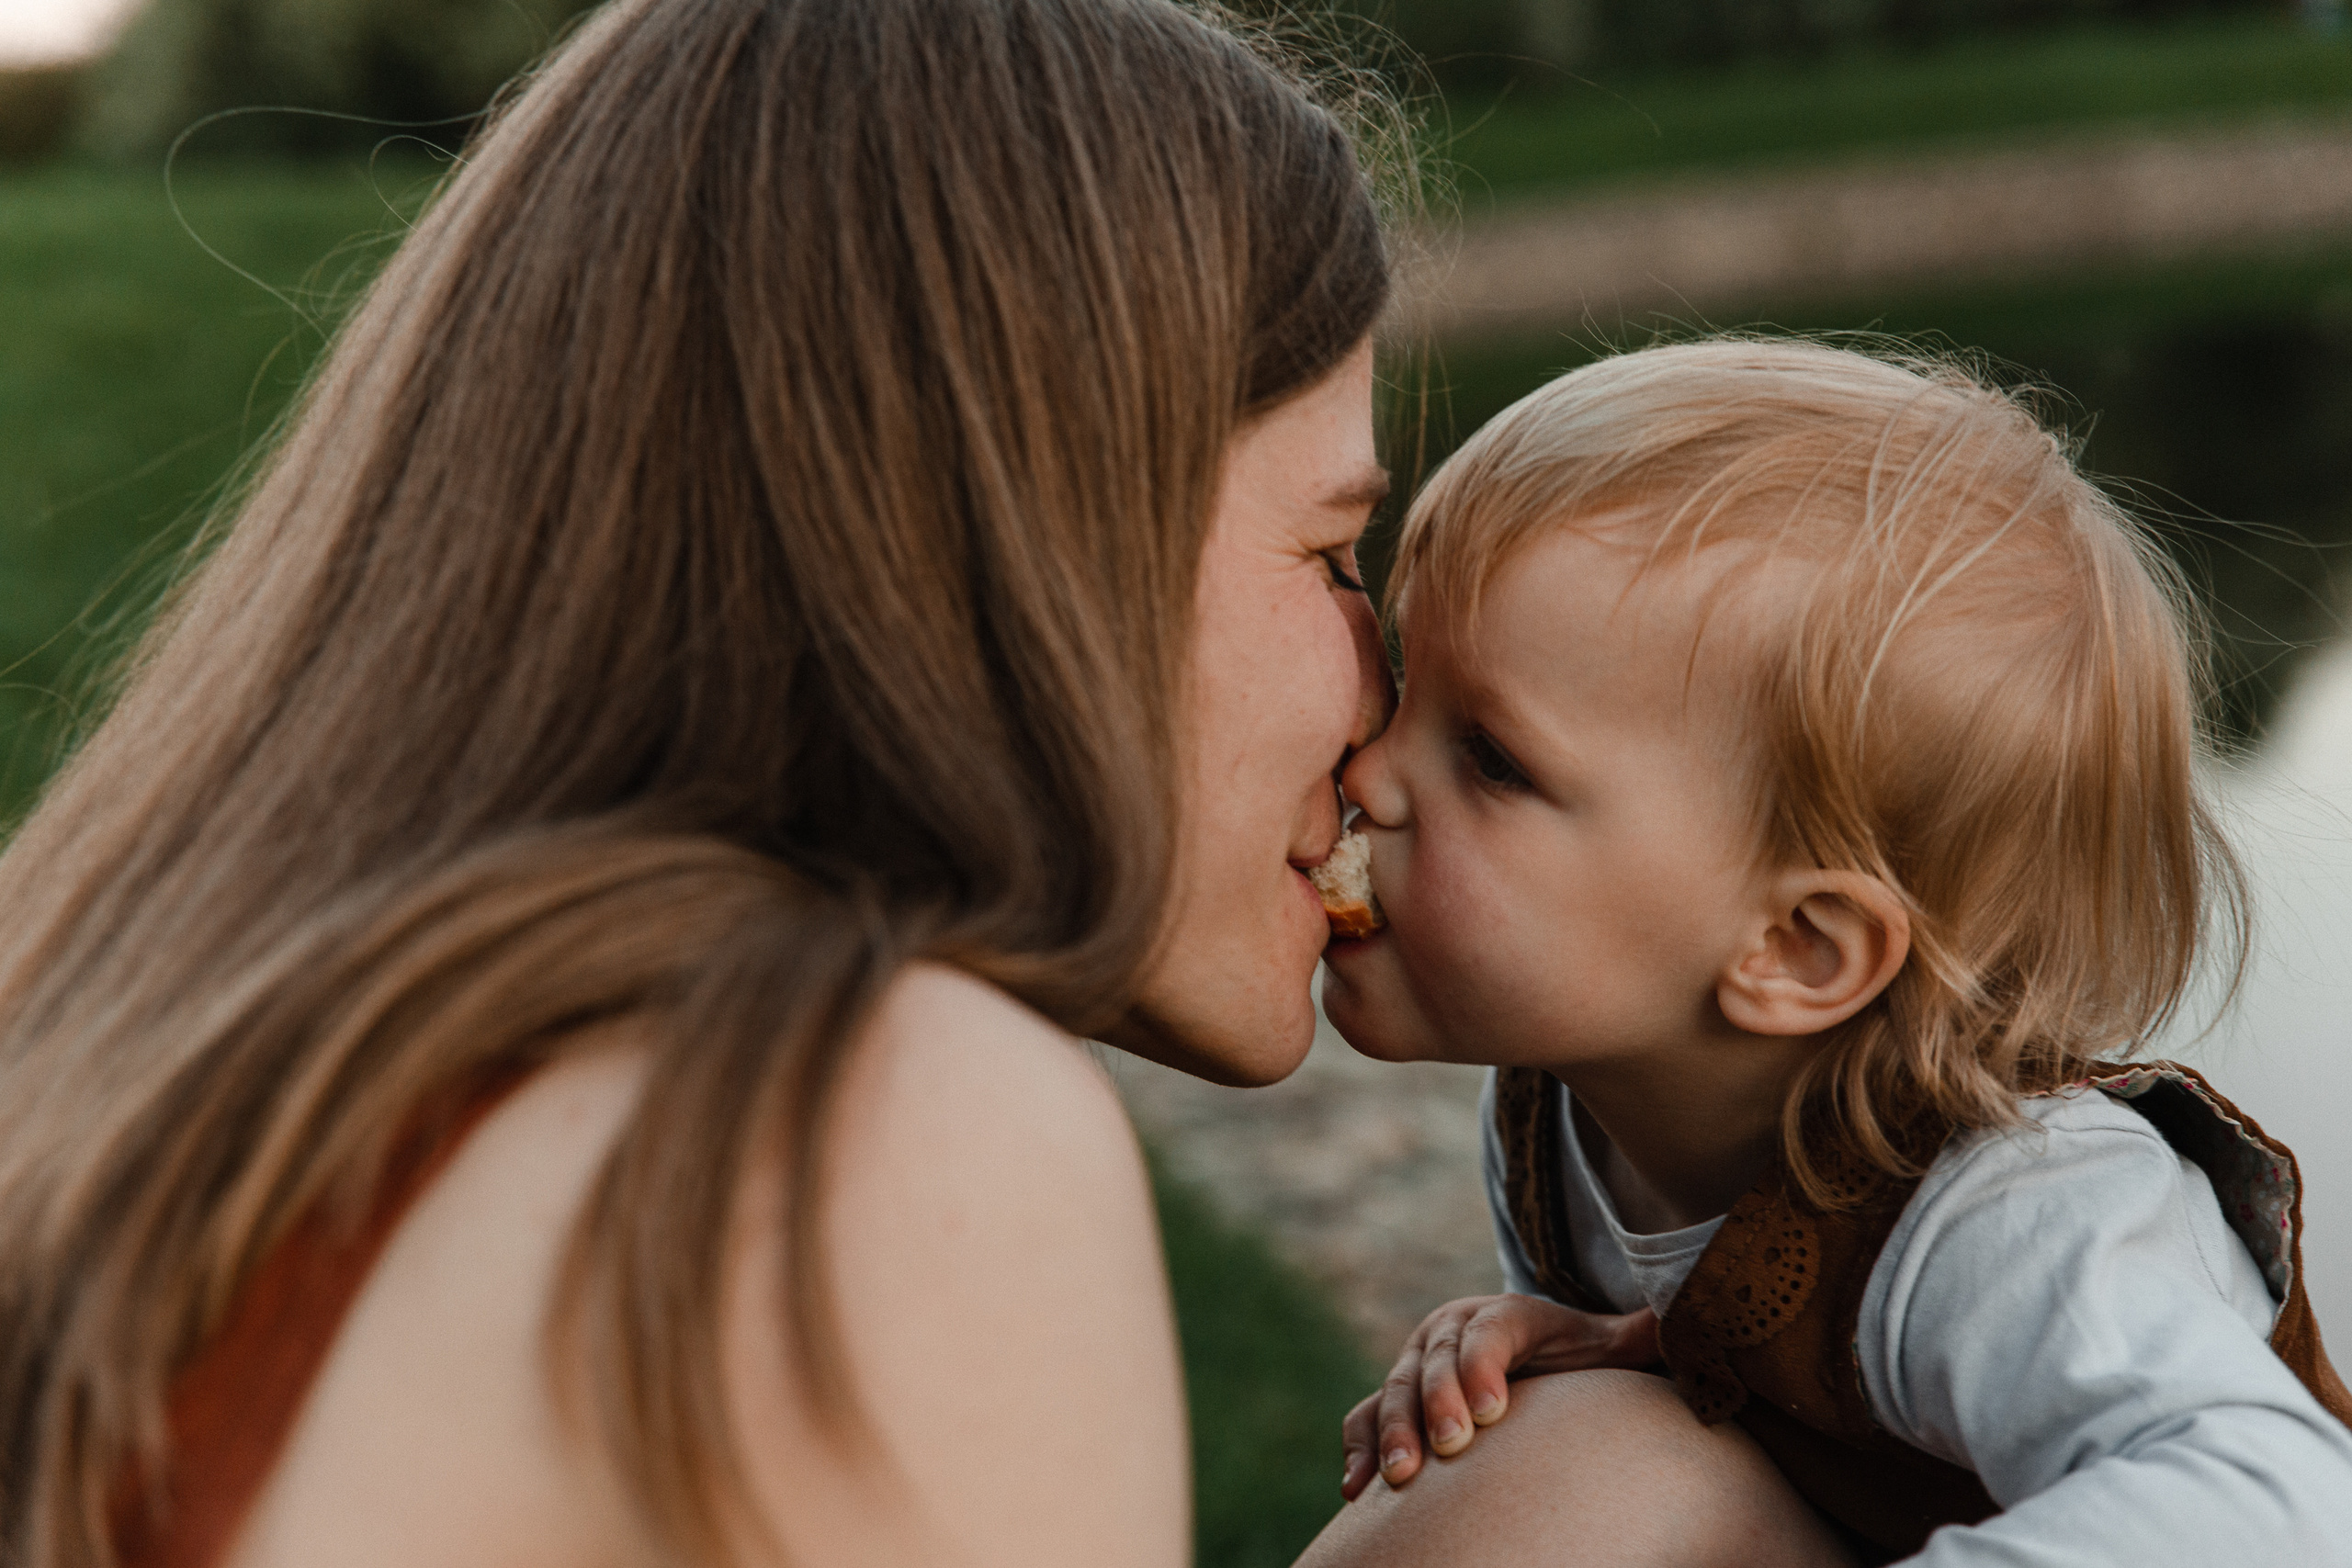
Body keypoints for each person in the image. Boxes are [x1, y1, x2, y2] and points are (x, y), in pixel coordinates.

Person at [0, 2, 1406, 1564]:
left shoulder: (136, 1047)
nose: (1383, 686)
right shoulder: (854, 1134)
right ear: (1042, 528)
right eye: (1335, 553)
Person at [1304, 339, 2352, 1566]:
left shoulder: (2015, 1212)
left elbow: (2280, 1508)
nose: (1365, 770)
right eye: (1400, 680)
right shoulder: (1574, 1102)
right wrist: (1623, 1344)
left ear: (1797, 949)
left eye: (1488, 756)